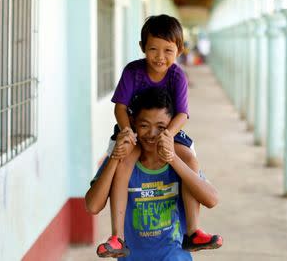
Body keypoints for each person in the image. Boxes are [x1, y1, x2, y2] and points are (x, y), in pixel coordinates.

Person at [94, 14, 222, 257]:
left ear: (180, 50)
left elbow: (183, 113)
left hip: (169, 129)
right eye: (153, 49)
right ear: (142, 47)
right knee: (123, 162)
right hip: (131, 128)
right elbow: (120, 107)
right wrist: (127, 131)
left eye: (168, 50)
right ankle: (118, 236)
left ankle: (193, 232)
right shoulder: (133, 71)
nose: (160, 57)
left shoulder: (177, 76)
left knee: (188, 160)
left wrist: (168, 136)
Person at [85, 87, 222, 260]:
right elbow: (93, 206)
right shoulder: (122, 161)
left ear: (172, 125)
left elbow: (212, 199)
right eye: (144, 126)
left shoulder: (181, 158)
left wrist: (172, 159)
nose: (152, 134)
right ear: (133, 122)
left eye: (161, 127)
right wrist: (115, 157)